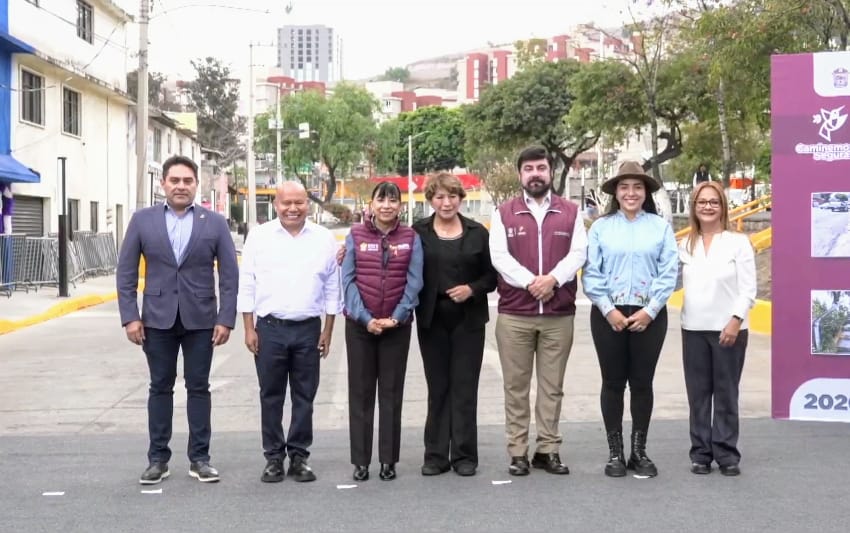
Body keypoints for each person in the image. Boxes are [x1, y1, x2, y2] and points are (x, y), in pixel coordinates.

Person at [117, 155, 238, 485]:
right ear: (163, 184)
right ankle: (157, 459)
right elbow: (126, 272)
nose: (181, 186)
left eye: (187, 181)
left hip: (201, 321)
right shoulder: (143, 221)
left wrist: (226, 318)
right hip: (156, 320)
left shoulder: (214, 223)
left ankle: (200, 458)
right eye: (175, 180)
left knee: (199, 388)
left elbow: (229, 275)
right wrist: (130, 317)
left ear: (197, 185)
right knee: (160, 387)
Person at [489, 146, 588, 476]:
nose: (535, 174)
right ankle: (518, 451)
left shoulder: (571, 212)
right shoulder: (503, 212)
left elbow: (578, 253)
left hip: (559, 315)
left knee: (552, 387)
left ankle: (548, 449)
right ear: (520, 175)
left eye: (541, 168)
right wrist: (534, 282)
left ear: (550, 172)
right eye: (528, 168)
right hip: (515, 313)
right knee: (515, 387)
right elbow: (500, 258)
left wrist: (554, 280)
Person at [237, 181, 342, 483]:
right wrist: (248, 328)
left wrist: (328, 330)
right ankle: (273, 457)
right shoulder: (259, 237)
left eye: (299, 202)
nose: (293, 208)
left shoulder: (324, 239)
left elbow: (332, 287)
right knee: (270, 396)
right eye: (286, 203)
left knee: (304, 396)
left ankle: (299, 456)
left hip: (309, 330)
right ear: (276, 205)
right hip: (269, 329)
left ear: (308, 204)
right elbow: (248, 284)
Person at [582, 161, 678, 478]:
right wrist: (608, 309)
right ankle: (614, 454)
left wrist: (650, 311)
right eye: (624, 187)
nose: (631, 193)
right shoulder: (601, 228)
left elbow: (669, 273)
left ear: (646, 191)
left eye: (637, 187)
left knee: (641, 383)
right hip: (608, 314)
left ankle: (639, 451)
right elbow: (592, 274)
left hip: (648, 314)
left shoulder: (660, 227)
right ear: (616, 192)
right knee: (612, 383)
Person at [412, 172, 497, 477]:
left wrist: (471, 289)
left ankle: (464, 455)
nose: (446, 203)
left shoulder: (477, 232)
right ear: (431, 200)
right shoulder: (418, 232)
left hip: (469, 320)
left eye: (452, 196)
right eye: (439, 197)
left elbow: (491, 276)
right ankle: (435, 455)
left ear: (461, 198)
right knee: (438, 388)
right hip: (431, 318)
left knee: (464, 387)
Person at [341, 181, 424, 481]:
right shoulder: (355, 234)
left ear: (400, 206)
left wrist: (398, 316)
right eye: (381, 200)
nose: (387, 205)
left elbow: (415, 281)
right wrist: (365, 318)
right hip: (360, 327)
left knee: (391, 394)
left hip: (396, 328)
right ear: (372, 204)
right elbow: (347, 281)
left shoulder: (411, 237)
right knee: (361, 394)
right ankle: (360, 461)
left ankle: (388, 460)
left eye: (393, 200)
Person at [679, 181, 756, 477]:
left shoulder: (738, 243)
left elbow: (748, 288)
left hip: (729, 330)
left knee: (725, 393)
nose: (708, 206)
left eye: (714, 202)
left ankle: (726, 453)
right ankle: (700, 453)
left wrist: (735, 320)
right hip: (693, 328)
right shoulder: (684, 245)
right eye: (702, 202)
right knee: (698, 395)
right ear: (694, 208)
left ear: (723, 207)